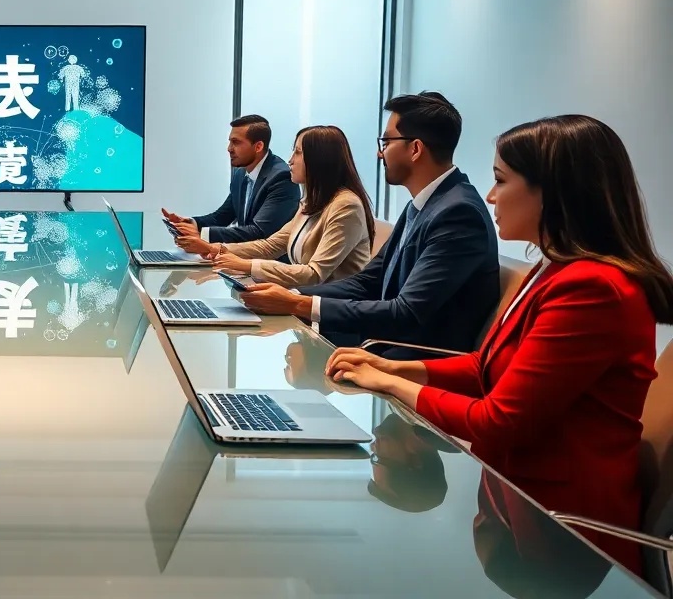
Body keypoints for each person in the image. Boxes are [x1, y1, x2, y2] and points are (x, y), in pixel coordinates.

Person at [327, 114, 673, 575]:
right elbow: (487, 368)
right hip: (515, 497)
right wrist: (395, 369)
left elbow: (498, 420)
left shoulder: (593, 288)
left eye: (500, 181)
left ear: (554, 192)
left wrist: (391, 386)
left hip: (560, 533)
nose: (489, 196)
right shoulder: (556, 269)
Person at [239, 92, 499, 354]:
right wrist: (295, 296)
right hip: (381, 344)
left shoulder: (458, 213)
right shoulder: (424, 204)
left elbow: (406, 311)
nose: (379, 152)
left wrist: (298, 304)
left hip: (409, 360)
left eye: (386, 142)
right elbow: (368, 282)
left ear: (415, 149)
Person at [177, 126, 373, 287]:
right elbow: (270, 246)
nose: (290, 160)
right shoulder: (312, 202)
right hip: (300, 300)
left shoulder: (346, 206)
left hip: (329, 316)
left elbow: (314, 274)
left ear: (319, 160)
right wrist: (215, 249)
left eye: (297, 152)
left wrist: (247, 266)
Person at [162, 114, 300, 245]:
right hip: (243, 261)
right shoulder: (240, 173)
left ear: (258, 146)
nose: (229, 149)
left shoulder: (282, 178)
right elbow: (222, 216)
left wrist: (202, 234)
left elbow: (259, 231)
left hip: (271, 266)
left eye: (236, 142)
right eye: (230, 142)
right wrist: (191, 224)